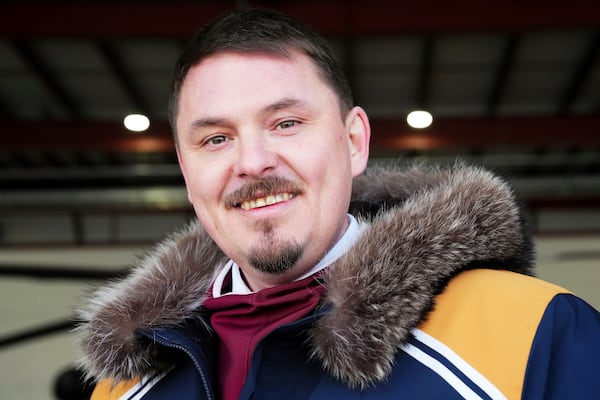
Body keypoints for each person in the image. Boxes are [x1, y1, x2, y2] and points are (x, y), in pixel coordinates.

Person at [77, 8, 600, 400]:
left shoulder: (535, 332)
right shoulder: (124, 385)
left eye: (286, 123)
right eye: (215, 138)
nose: (254, 162)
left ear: (354, 142)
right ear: (185, 169)